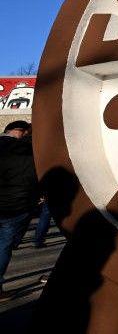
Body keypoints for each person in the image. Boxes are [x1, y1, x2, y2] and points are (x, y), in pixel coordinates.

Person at [0, 121, 37, 300]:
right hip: (16, 207)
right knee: (4, 246)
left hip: (14, 204)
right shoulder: (31, 153)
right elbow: (33, 180)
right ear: (20, 131)